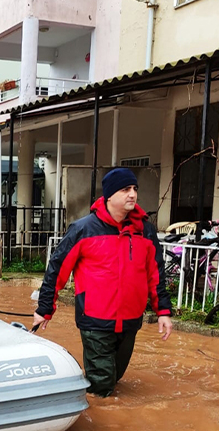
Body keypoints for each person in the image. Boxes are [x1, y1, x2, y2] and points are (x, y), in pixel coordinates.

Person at [33, 167, 173, 397]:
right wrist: (45, 308)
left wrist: (164, 311)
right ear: (109, 195)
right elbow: (57, 269)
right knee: (103, 388)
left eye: (135, 189)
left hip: (130, 320)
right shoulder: (83, 229)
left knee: (115, 377)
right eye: (125, 189)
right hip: (95, 321)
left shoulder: (144, 231)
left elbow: (155, 273)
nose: (132, 194)